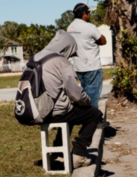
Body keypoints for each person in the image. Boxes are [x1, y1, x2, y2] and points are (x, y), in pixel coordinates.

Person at [35, 30, 103, 168]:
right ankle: (78, 154)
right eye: (71, 53)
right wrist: (87, 101)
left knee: (69, 112)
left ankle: (57, 154)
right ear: (66, 48)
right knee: (94, 114)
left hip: (33, 111)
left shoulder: (35, 58)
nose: (70, 57)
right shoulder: (61, 62)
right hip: (52, 113)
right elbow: (76, 94)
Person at [67, 3, 107, 110]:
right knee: (93, 97)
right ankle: (92, 122)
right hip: (92, 66)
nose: (90, 15)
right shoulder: (89, 26)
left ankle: (88, 117)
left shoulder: (70, 27)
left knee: (85, 94)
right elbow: (103, 41)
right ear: (84, 14)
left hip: (79, 67)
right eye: (89, 13)